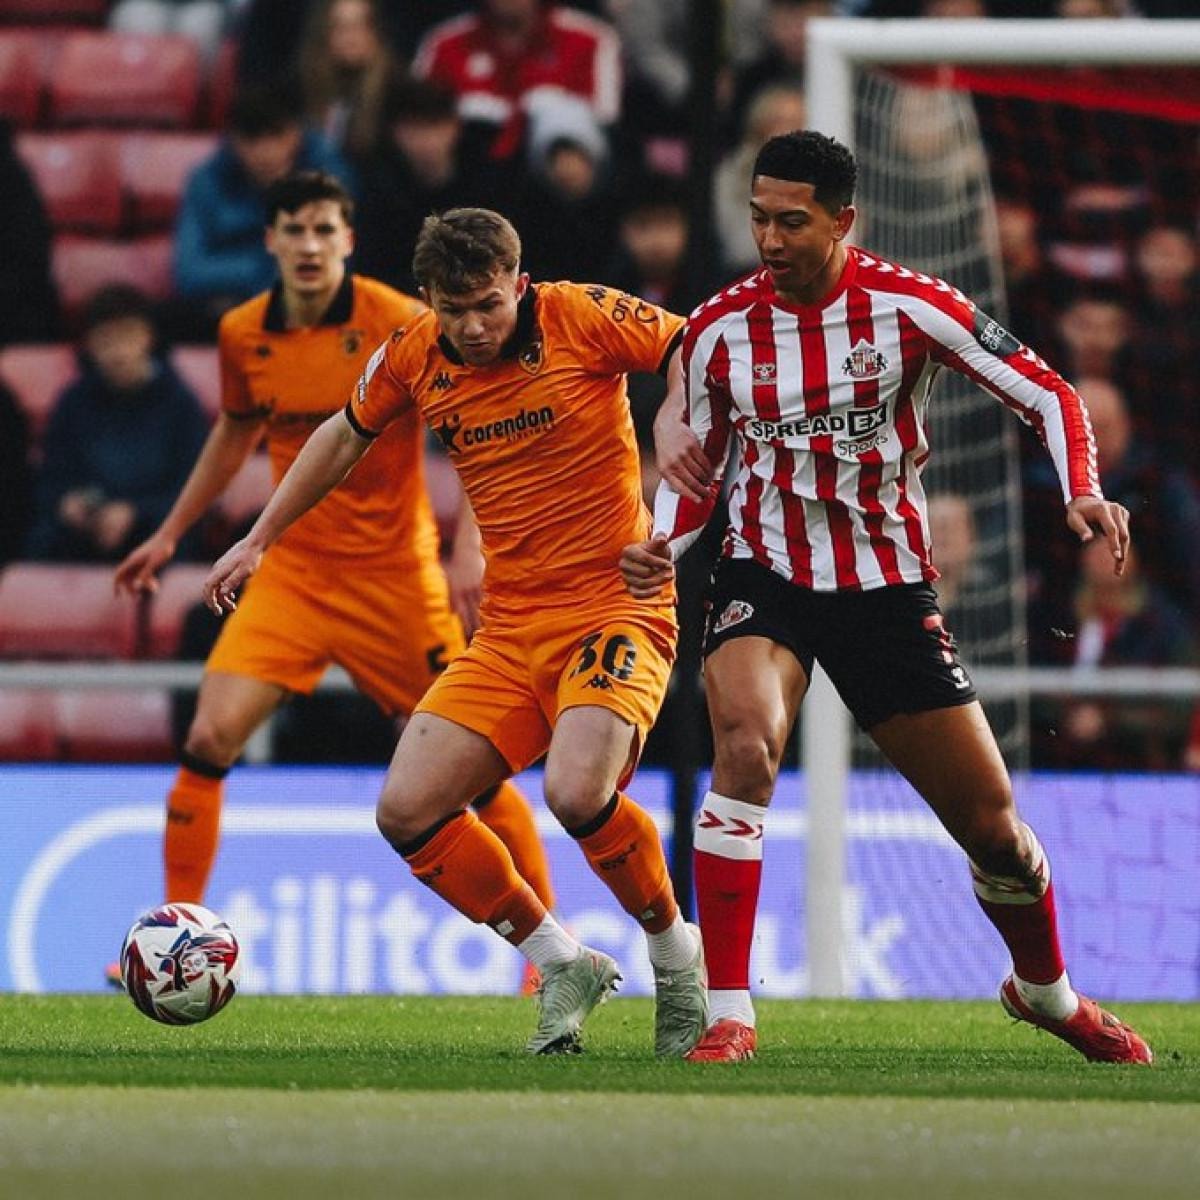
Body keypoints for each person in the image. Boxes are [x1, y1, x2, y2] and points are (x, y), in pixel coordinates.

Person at [621, 130, 1152, 1066]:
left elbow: (1047, 392)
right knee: (745, 747)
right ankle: (729, 1015)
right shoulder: (716, 331)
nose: (770, 240)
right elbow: (696, 471)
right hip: (764, 573)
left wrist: (1081, 488)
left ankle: (1048, 994)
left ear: (844, 221)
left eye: (793, 222)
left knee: (994, 832)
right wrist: (665, 541)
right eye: (759, 219)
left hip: (884, 589)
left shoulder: (910, 306)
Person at [201, 207, 707, 1056]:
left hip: (612, 605)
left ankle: (674, 954)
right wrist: (259, 539)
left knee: (576, 792)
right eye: (453, 309)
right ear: (428, 300)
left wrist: (672, 418)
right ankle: (561, 961)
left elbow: (693, 344)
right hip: (510, 628)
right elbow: (341, 435)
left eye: (488, 306)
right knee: (406, 810)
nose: (472, 327)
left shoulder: (581, 314)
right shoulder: (412, 352)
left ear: (519, 284)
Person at [115, 176, 554, 987]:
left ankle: (542, 956)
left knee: (473, 768)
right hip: (293, 577)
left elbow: (474, 423)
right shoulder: (244, 332)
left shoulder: (401, 321)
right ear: (272, 241)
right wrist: (171, 533)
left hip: (396, 580)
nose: (310, 245)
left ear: (348, 240)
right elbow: (234, 433)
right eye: (295, 229)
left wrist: (468, 547)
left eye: (325, 229)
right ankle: (175, 936)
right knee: (209, 737)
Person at [26, 286, 209, 563]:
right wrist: (67, 502)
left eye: (127, 336)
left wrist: (137, 511)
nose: (117, 352)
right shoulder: (73, 402)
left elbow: (196, 490)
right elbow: (52, 476)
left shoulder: (181, 404)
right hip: (87, 529)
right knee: (44, 539)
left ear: (148, 337)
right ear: (89, 345)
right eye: (106, 340)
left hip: (154, 528)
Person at [173, 82, 351, 337]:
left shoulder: (330, 177)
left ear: (297, 133)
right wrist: (263, 269)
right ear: (233, 141)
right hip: (229, 306)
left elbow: (341, 263)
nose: (266, 152)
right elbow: (189, 272)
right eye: (253, 139)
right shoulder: (207, 181)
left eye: (277, 135)